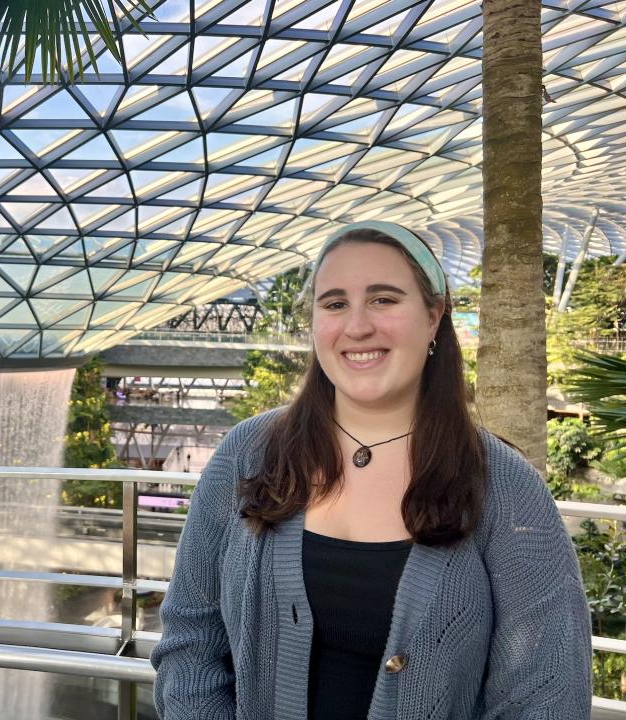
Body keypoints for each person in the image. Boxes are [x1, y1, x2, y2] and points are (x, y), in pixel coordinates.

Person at [150, 220, 593, 719]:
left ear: (433, 316)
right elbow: (191, 644)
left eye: (384, 299)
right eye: (335, 304)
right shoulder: (248, 454)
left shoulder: (505, 488)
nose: (357, 326)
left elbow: (545, 696)